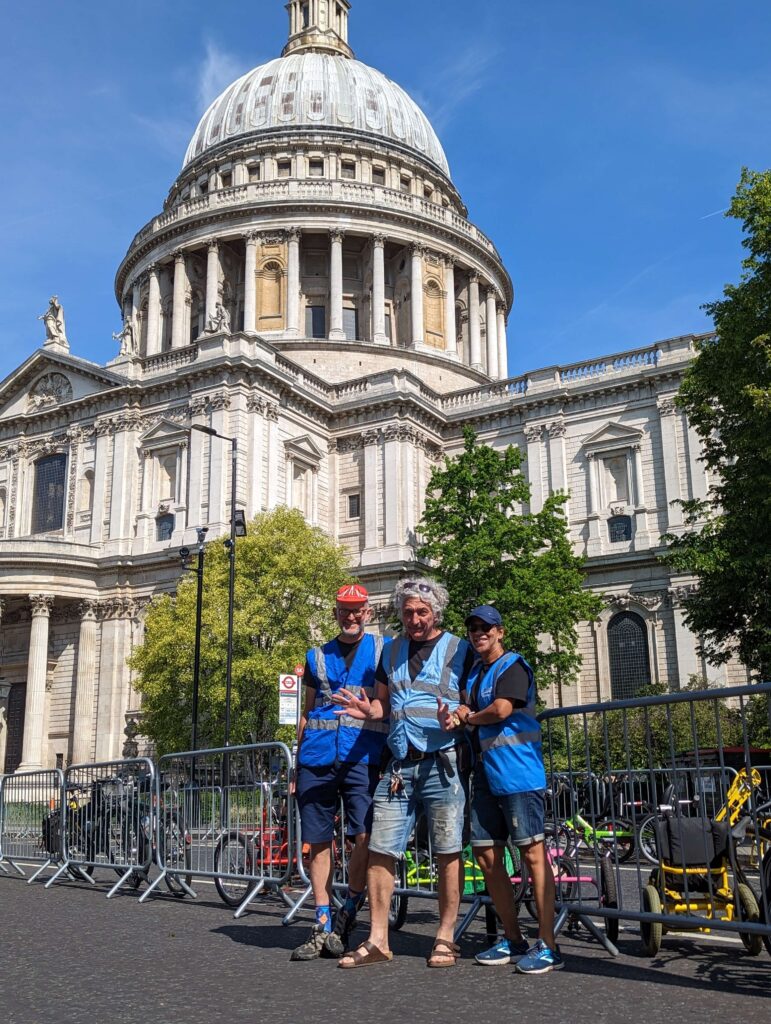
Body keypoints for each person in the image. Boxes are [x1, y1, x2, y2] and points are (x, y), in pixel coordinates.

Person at [331, 578, 474, 968]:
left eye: (422, 612)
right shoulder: (391, 649)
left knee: (447, 852)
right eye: (408, 612)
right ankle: (378, 939)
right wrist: (369, 712)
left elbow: (472, 702)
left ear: (436, 613)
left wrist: (460, 715)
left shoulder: (459, 648)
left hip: (441, 763)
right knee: (380, 849)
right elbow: (383, 705)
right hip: (399, 765)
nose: (415, 619)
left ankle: (445, 935)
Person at [440, 605, 562, 974]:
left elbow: (502, 709)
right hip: (487, 776)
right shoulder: (477, 671)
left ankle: (549, 944)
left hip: (519, 775)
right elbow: (468, 706)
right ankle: (513, 938)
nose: (479, 633)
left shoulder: (513, 666)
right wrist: (456, 714)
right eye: (473, 628)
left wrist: (469, 717)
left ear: (500, 632)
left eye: (485, 628)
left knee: (533, 857)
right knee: (487, 857)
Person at [291, 583, 388, 961]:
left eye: (357, 609)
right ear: (336, 613)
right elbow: (307, 711)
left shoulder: (381, 650)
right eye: (344, 610)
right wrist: (296, 765)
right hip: (316, 760)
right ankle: (322, 920)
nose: (351, 616)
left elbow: (386, 703)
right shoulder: (315, 656)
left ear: (367, 612)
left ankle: (350, 906)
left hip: (362, 756)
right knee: (318, 841)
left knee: (364, 836)